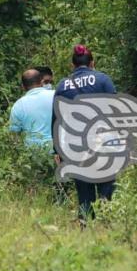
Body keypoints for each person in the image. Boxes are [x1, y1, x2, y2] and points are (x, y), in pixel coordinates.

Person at [53, 44, 117, 223]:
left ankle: (85, 226)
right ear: (92, 63)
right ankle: (107, 222)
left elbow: (56, 119)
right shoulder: (103, 80)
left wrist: (56, 150)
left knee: (84, 190)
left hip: (75, 145)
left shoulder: (62, 85)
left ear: (72, 66)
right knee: (106, 185)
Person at [9, 69, 55, 148]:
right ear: (41, 82)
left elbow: (14, 137)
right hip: (58, 151)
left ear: (23, 87)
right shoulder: (56, 95)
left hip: (32, 154)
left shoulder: (18, 105)